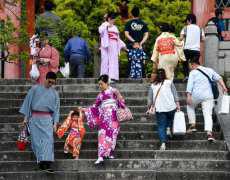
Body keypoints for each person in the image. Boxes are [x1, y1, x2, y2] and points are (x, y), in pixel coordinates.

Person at [19, 72, 60, 172]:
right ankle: (41, 164)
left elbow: (56, 109)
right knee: (37, 142)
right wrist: (25, 119)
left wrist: (55, 123)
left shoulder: (55, 93)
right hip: (35, 118)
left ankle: (48, 164)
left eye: (53, 83)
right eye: (50, 81)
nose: (51, 84)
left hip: (47, 119)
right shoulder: (34, 89)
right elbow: (28, 104)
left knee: (48, 141)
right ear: (45, 79)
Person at [83, 74, 125, 164]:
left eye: (101, 84)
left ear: (107, 83)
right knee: (102, 135)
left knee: (113, 136)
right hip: (104, 117)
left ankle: (110, 153)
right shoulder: (100, 95)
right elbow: (95, 106)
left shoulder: (114, 91)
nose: (100, 86)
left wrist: (119, 105)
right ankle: (101, 156)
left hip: (114, 116)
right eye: (99, 84)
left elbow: (121, 101)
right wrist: (85, 109)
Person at [186, 57, 228, 141]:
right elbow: (219, 78)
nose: (190, 67)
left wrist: (188, 96)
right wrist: (224, 87)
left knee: (190, 106)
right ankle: (209, 133)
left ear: (192, 64)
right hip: (208, 96)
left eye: (190, 65)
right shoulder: (209, 70)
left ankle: (193, 125)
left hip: (196, 95)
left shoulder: (193, 72)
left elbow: (190, 86)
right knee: (207, 114)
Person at [147, 69, 180, 150]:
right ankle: (168, 127)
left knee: (161, 126)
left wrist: (149, 107)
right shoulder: (169, 82)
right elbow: (175, 94)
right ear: (164, 74)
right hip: (171, 106)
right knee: (170, 118)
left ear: (156, 75)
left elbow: (149, 99)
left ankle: (163, 143)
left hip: (160, 108)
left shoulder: (153, 85)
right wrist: (178, 104)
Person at [99, 13, 127, 83]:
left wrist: (123, 45)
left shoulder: (115, 27)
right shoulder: (104, 25)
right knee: (105, 61)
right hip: (106, 45)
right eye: (113, 20)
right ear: (109, 19)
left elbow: (117, 38)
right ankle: (104, 77)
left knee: (113, 60)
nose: (114, 21)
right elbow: (100, 31)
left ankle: (112, 77)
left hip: (114, 45)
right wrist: (106, 24)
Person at [124, 6, 149, 77]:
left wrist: (133, 41)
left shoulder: (128, 23)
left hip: (131, 45)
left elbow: (126, 34)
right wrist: (141, 42)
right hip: (140, 45)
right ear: (139, 13)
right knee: (141, 61)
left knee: (130, 61)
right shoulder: (143, 23)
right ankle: (142, 77)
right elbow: (146, 34)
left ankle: (129, 78)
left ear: (131, 14)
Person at [180, 14, 205, 80]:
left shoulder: (185, 28)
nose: (186, 22)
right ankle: (197, 77)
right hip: (196, 50)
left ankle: (186, 76)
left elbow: (181, 38)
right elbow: (203, 39)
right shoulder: (200, 28)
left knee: (185, 63)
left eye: (187, 21)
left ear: (190, 20)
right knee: (195, 64)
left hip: (187, 49)